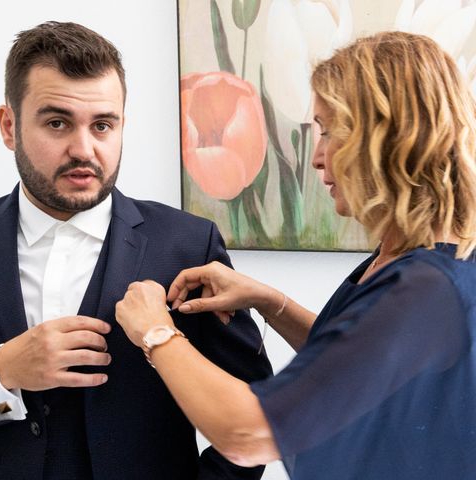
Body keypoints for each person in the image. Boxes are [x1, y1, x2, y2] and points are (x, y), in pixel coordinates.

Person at [0, 21, 272, 480]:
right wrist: (1, 368)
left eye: (102, 125)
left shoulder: (188, 245)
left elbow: (262, 412)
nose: (83, 149)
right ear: (9, 126)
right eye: (57, 123)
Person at [115, 31, 476, 480]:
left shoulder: (428, 286)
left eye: (329, 131)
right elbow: (354, 368)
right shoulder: (404, 258)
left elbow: (248, 434)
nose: (318, 157)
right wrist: (269, 301)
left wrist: (155, 332)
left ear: (386, 135)